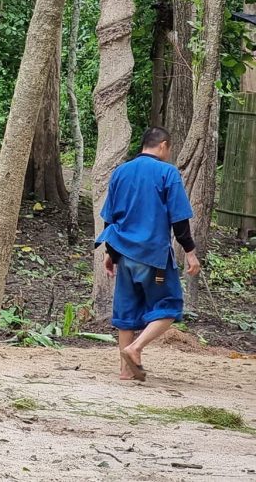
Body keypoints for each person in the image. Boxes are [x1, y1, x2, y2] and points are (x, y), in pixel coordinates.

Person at [96, 126, 201, 381]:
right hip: (153, 256)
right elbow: (179, 219)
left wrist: (111, 253)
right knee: (169, 306)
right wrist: (190, 252)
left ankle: (125, 371)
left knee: (126, 312)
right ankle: (136, 348)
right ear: (163, 145)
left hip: (124, 253)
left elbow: (110, 217)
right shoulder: (167, 172)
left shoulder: (121, 172)